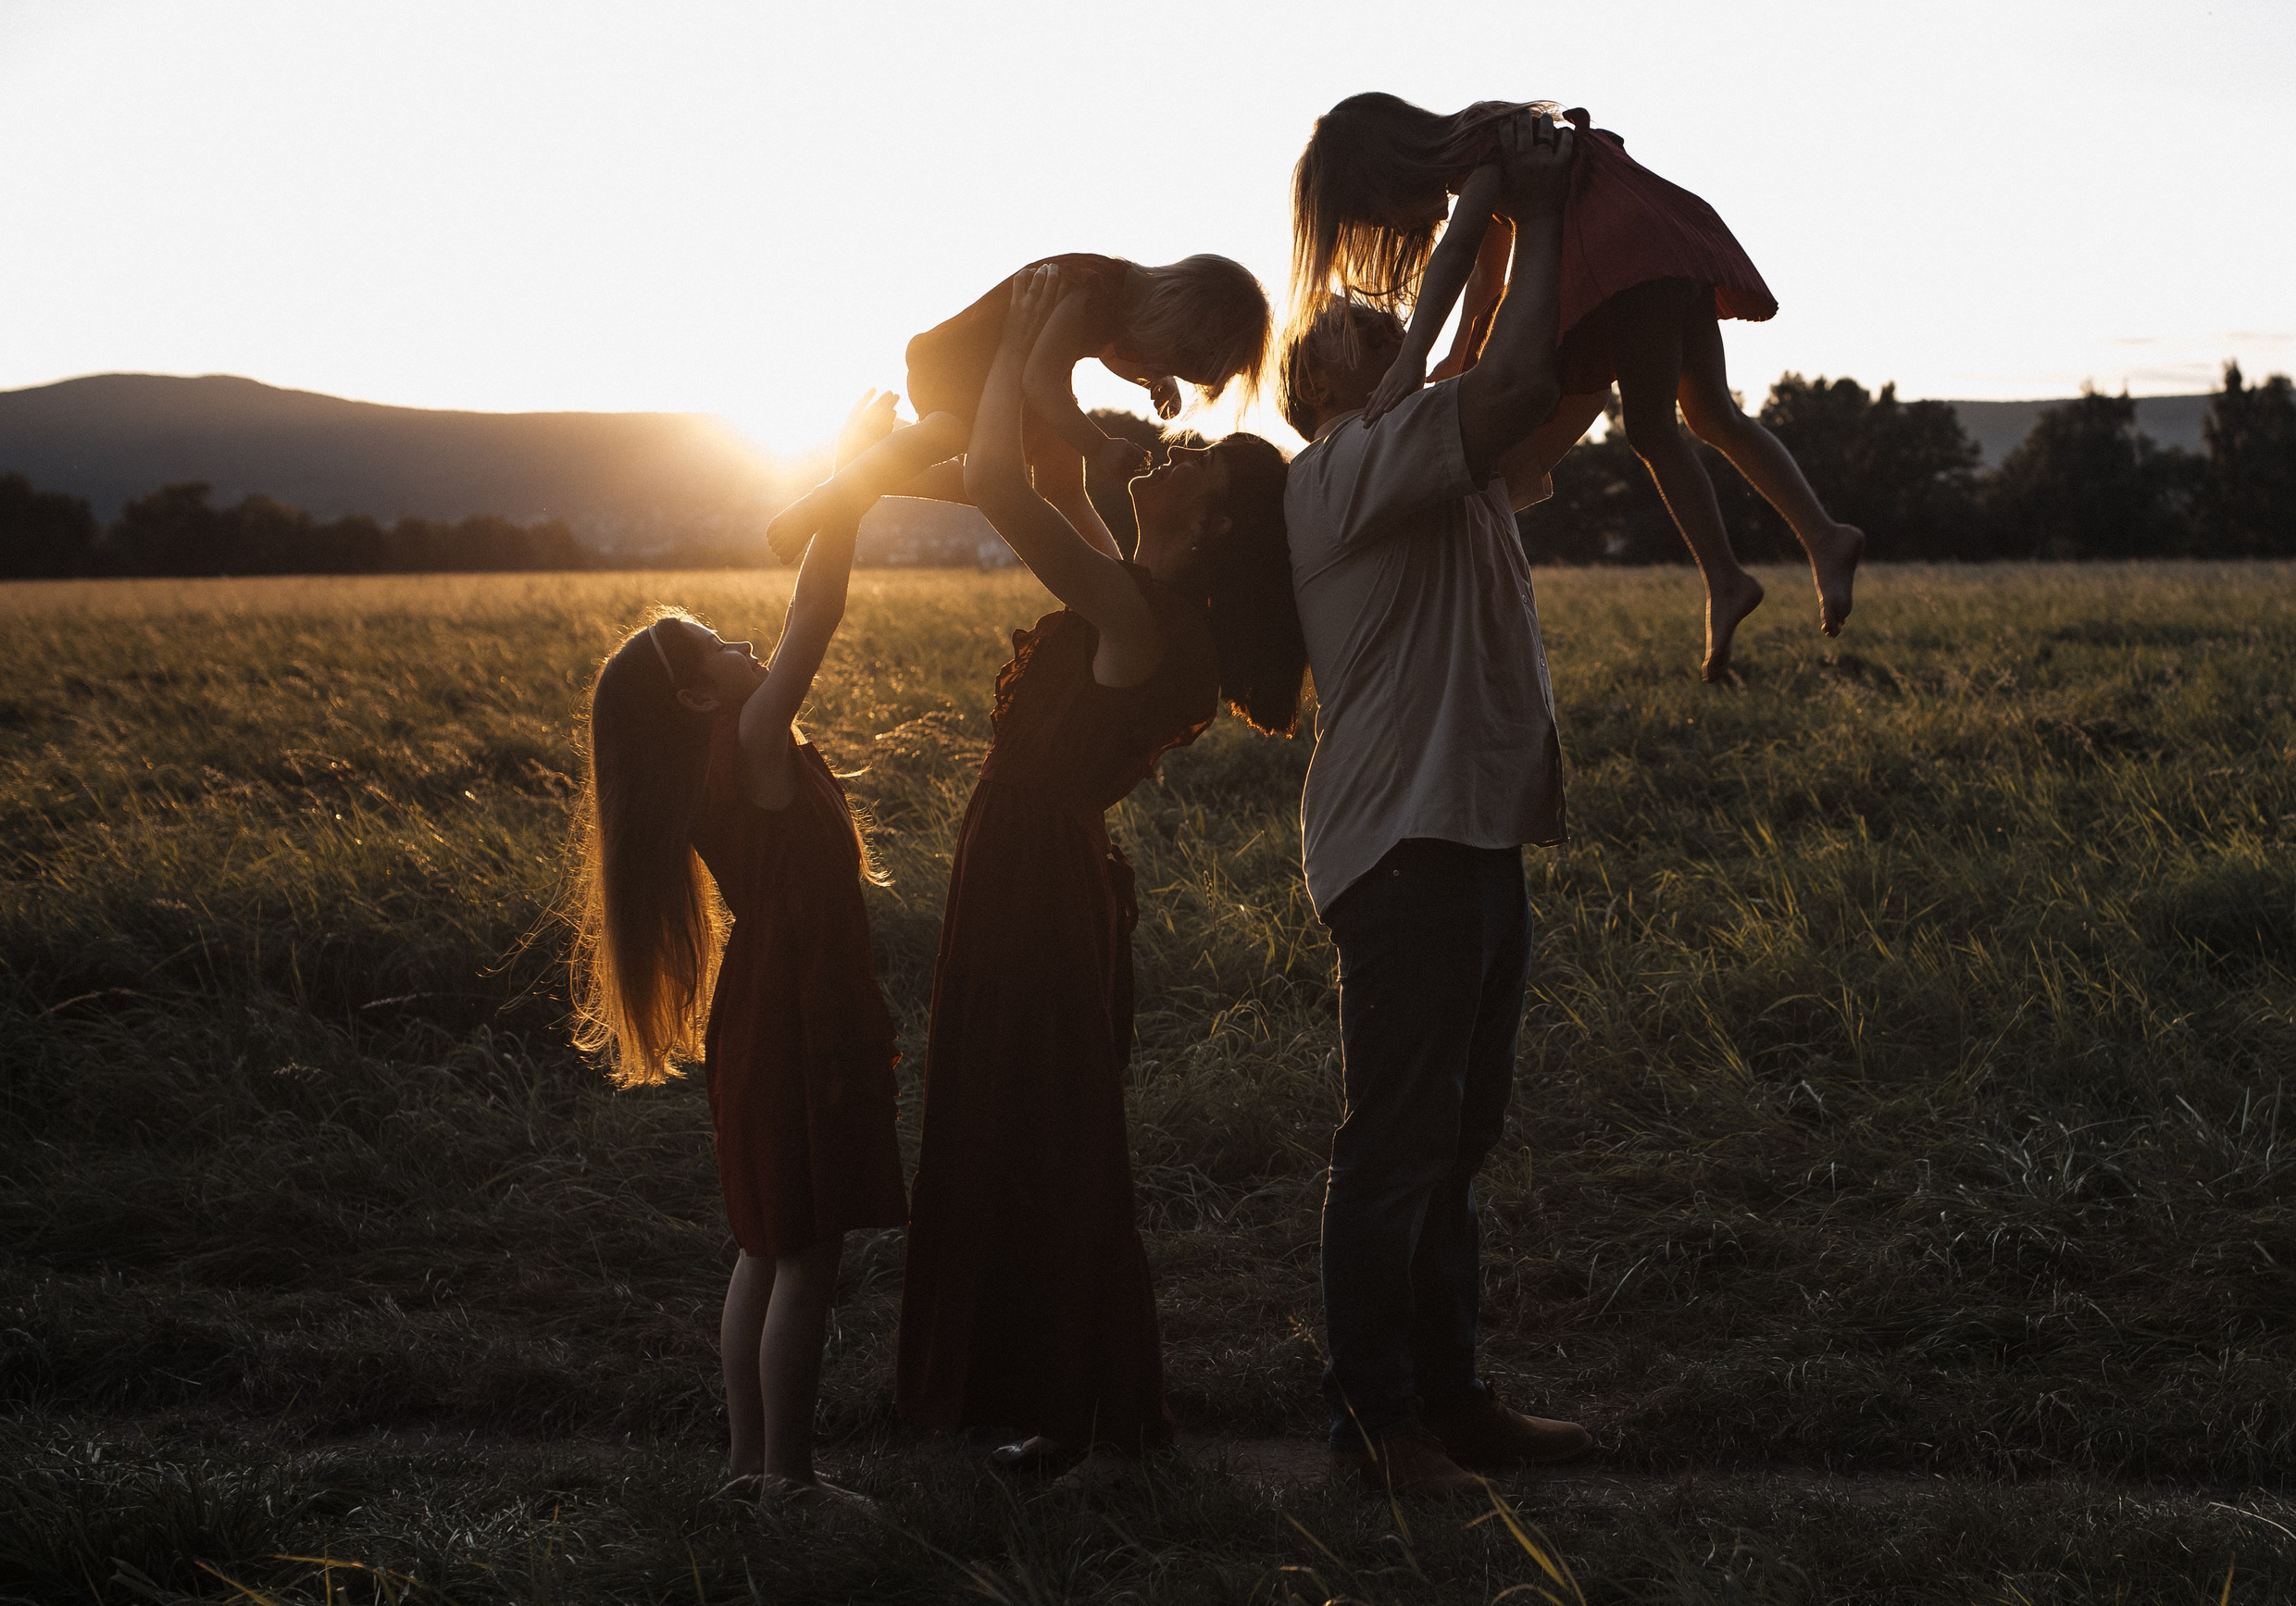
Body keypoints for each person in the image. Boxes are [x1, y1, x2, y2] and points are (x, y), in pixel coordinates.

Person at [894, 265, 1304, 1488]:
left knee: (1040, 1134)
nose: (1171, 453)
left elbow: (995, 485)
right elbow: (1053, 482)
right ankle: (1063, 1408)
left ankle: (1076, 1408)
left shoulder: (1144, 623)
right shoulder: (1138, 595)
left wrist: (1027, 343)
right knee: (1030, 1128)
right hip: (1026, 873)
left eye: (1199, 466)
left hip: (1034, 886)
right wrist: (1044, 360)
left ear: (1214, 526)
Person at [1280, 114, 1592, 1500]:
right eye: (1355, 325)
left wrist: (1541, 220)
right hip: (1402, 845)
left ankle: (1452, 1405)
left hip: (1465, 831)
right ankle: (1376, 1430)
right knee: (1398, 1148)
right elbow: (1498, 360)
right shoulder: (1344, 472)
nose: (1375, 315)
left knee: (1455, 1143)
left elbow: (1542, 382)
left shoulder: (1433, 456)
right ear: (1320, 386)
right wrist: (1486, 198)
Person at [566, 394, 913, 1505]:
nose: (747, 642)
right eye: (721, 643)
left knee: (766, 1247)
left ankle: (747, 1474)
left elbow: (793, 623)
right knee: (803, 1252)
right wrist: (852, 478)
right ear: (694, 693)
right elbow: (819, 608)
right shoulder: (751, 743)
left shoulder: (732, 756)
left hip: (771, 1007)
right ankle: (792, 1487)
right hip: (797, 1012)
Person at [1290, 92, 1865, 682]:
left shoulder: (1484, 147)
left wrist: (1413, 359)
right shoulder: (1485, 144)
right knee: (1714, 415)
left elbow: (1459, 253)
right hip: (1657, 234)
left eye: (1377, 212)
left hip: (1630, 250)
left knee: (1650, 429)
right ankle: (1822, 534)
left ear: (1389, 168)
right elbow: (1488, 271)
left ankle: (1727, 578)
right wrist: (1458, 356)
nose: (1393, 227)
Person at [766, 251, 1269, 564]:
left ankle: (1121, 582)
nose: (1159, 365)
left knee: (1061, 491)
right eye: (1174, 359)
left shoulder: (1126, 304)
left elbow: (1112, 352)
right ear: (1177, 313)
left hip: (1024, 383)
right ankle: (825, 499)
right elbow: (1041, 380)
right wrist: (1097, 445)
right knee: (951, 434)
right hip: (964, 367)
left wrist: (1154, 378)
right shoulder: (1093, 292)